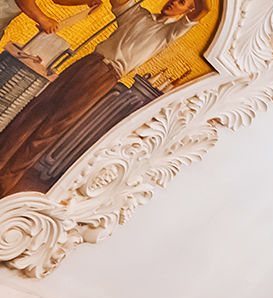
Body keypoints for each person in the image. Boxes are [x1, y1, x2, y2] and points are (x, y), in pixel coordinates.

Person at [0, 0, 211, 197]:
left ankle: (5, 180)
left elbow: (205, 9)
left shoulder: (171, 32)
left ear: (188, 11)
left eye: (182, 2)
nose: (173, 2)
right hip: (88, 63)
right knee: (36, 109)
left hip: (104, 76)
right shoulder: (138, 13)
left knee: (50, 129)